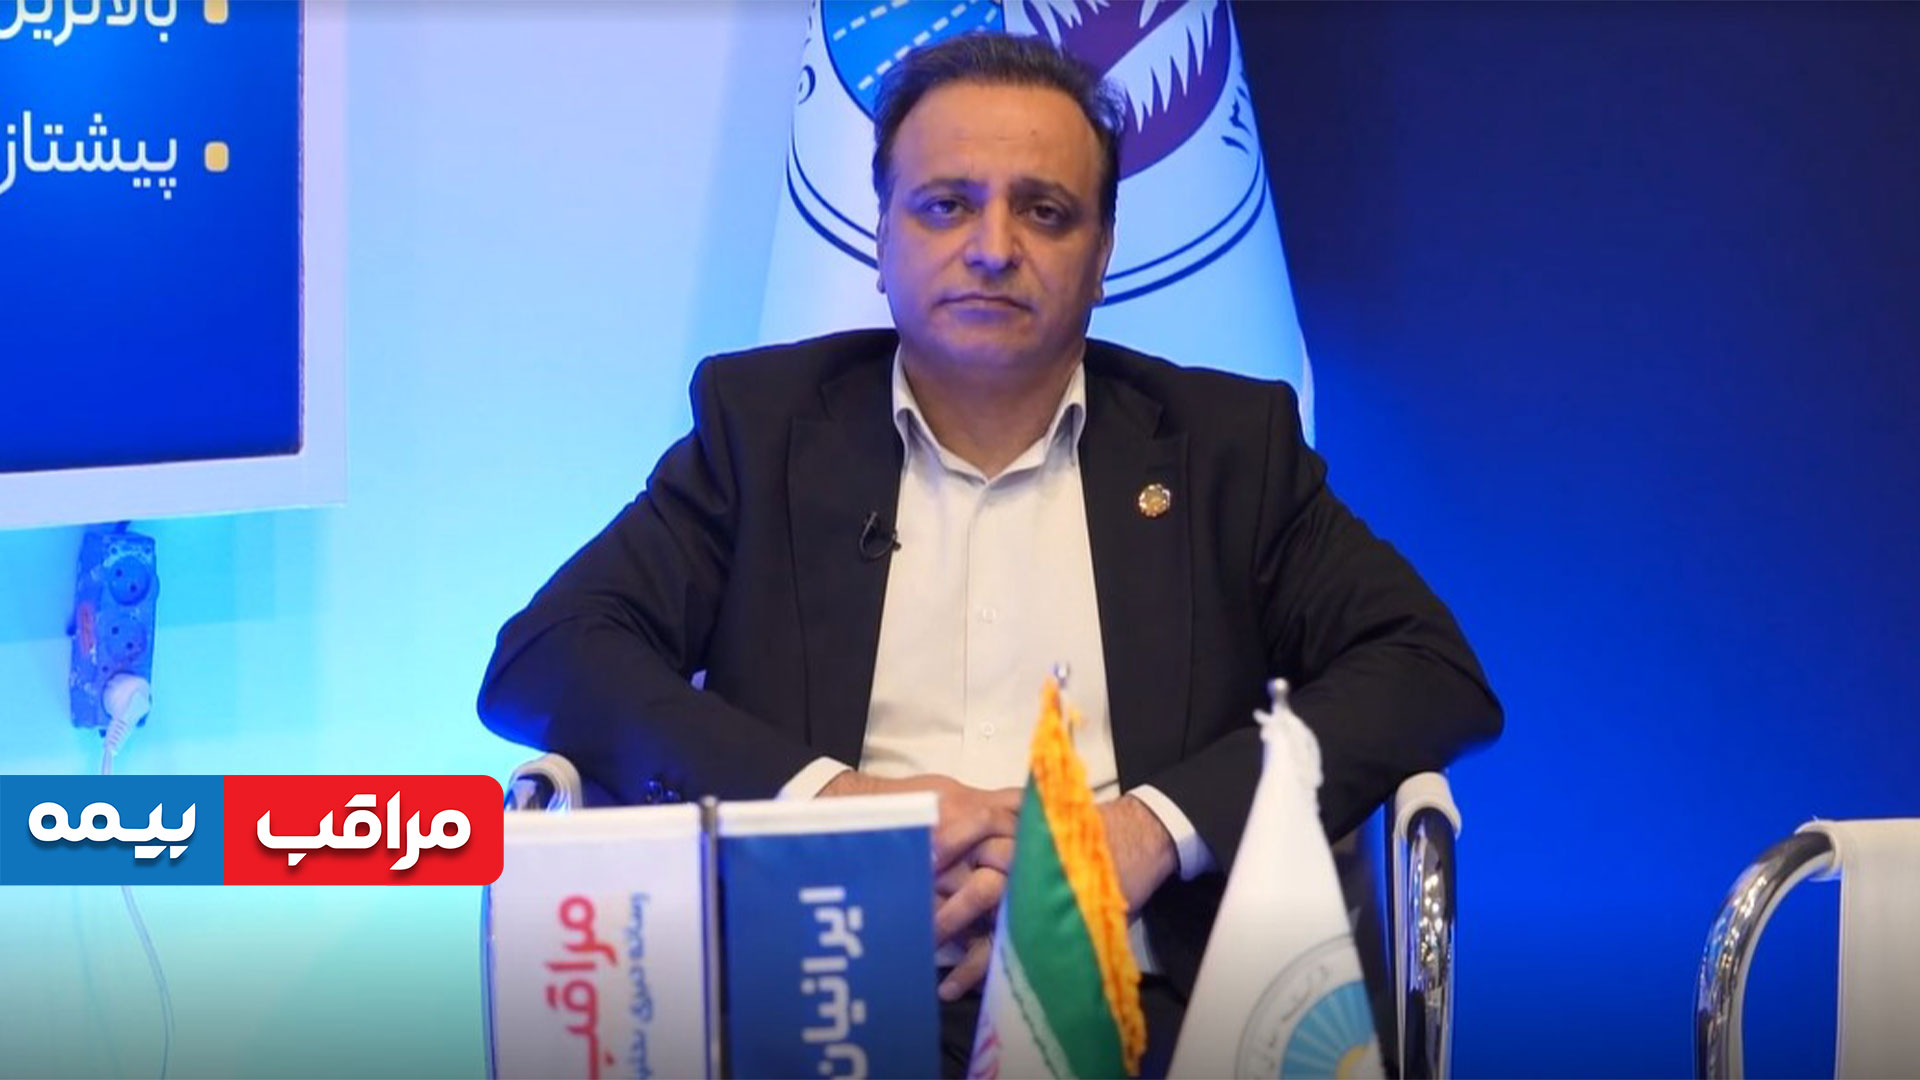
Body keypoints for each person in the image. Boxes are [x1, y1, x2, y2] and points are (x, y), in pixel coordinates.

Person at [479, 31, 1500, 1076]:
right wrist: (834, 808)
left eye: (1044, 211)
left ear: (1103, 252)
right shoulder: (764, 431)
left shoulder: (1224, 450)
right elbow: (550, 656)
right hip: (817, 989)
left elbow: (1425, 670)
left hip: (1136, 1001)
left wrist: (1144, 833)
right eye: (946, 205)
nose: (993, 247)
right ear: (881, 236)